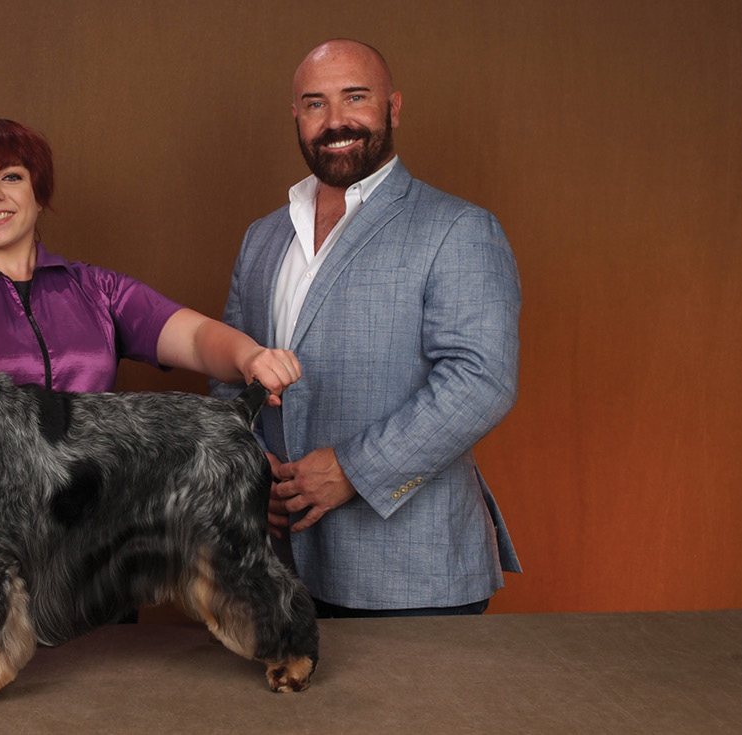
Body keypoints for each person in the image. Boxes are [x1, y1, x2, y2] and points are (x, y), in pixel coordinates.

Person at [0, 118, 301, 626]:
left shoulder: (95, 288)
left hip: (93, 558)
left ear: (40, 192)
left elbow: (191, 336)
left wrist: (248, 356)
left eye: (11, 176)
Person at [212, 39, 521, 617]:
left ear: (393, 107)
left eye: (355, 98)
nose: (335, 122)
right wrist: (251, 473)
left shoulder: (459, 228)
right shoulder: (262, 237)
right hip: (275, 567)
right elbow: (230, 378)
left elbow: (482, 381)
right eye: (315, 104)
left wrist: (354, 469)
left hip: (411, 571)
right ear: (297, 117)